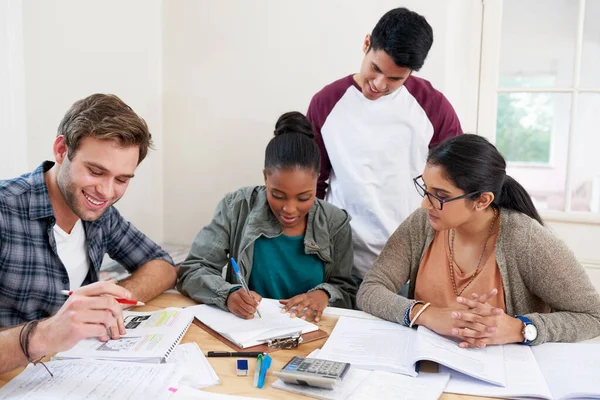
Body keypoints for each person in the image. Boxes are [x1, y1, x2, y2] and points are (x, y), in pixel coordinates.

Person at [357, 134, 600, 347]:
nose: (425, 204)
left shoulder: (526, 240)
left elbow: (593, 316)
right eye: (426, 189)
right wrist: (426, 314)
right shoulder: (423, 223)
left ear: (482, 200)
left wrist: (520, 328)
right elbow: (370, 290)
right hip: (425, 366)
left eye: (440, 196)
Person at [0, 94, 177, 351]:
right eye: (95, 171)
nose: (106, 192)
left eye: (121, 180)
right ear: (62, 150)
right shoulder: (5, 210)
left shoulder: (101, 214)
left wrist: (112, 299)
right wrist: (44, 336)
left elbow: (162, 266)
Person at [308, 7, 462, 286]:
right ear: (366, 43)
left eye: (395, 79)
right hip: (340, 263)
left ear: (410, 72)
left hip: (413, 264)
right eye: (375, 69)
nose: (379, 84)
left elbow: (455, 186)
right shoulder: (326, 102)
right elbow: (313, 183)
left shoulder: (433, 106)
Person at [177, 112, 357, 321]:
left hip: (312, 332)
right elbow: (193, 270)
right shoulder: (237, 207)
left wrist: (324, 294)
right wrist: (227, 295)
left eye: (304, 197)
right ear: (265, 177)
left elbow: (347, 290)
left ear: (317, 180)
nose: (289, 209)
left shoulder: (335, 222)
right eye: (278, 195)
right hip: (251, 328)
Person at [0, 281, 131, 374]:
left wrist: (111, 303)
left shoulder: (94, 239)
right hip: (14, 370)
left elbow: (151, 262)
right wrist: (40, 337)